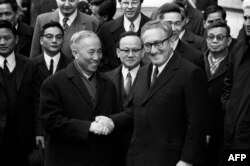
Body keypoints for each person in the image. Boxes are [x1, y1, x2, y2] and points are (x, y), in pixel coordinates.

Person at [96, 20, 208, 166]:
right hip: (138, 158)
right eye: (148, 45)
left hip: (171, 160)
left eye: (158, 43)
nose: (153, 50)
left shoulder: (190, 73)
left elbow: (197, 124)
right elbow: (136, 110)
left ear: (172, 40)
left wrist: (186, 160)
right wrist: (113, 121)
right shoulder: (143, 71)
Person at [40, 30, 118, 166]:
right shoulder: (54, 82)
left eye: (99, 52)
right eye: (91, 52)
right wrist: (88, 127)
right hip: (67, 158)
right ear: (75, 53)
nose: (97, 57)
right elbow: (51, 121)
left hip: (100, 158)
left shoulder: (107, 83)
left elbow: (114, 115)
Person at [0, 20, 36, 166]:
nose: (2, 42)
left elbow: (36, 99)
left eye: (7, 38)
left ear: (16, 40)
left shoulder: (29, 65)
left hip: (23, 137)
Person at [105, 31, 144, 166]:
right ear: (117, 52)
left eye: (135, 50)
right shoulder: (106, 79)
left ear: (143, 52)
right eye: (126, 50)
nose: (130, 54)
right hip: (112, 147)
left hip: (142, 147)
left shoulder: (153, 77)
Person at [32, 21, 72, 150]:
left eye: (58, 37)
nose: (54, 40)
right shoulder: (31, 65)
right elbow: (32, 101)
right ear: (41, 40)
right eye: (49, 37)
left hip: (66, 129)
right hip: (40, 129)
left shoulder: (72, 65)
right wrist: (38, 130)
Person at [221, 0, 250, 157]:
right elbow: (228, 83)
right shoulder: (238, 47)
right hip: (231, 132)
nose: (247, 23)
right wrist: (229, 106)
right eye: (245, 18)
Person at [203, 22, 232, 166]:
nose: (214, 41)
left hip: (223, 126)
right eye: (211, 37)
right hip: (197, 126)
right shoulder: (196, 61)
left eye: (220, 37)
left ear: (229, 40)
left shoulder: (234, 64)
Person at [30, 0, 99, 58]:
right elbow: (34, 55)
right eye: (63, 0)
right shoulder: (42, 20)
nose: (67, 4)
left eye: (71, 0)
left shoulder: (92, 23)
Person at [98, 0, 150, 72]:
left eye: (134, 3)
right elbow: (102, 62)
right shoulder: (106, 28)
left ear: (141, 3)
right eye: (126, 3)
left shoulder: (152, 28)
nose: (130, 7)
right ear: (120, 3)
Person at [156, 3, 205, 70]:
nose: (173, 28)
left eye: (177, 23)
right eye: (168, 23)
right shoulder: (148, 52)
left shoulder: (195, 57)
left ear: (183, 23)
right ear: (159, 22)